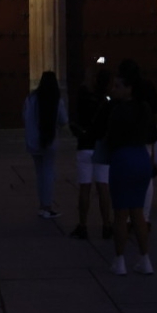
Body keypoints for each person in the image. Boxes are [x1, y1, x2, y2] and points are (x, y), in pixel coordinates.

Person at [104, 72, 157, 275]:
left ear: (129, 89)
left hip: (123, 159)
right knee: (138, 214)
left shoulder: (118, 111)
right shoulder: (144, 108)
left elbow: (111, 138)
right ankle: (145, 260)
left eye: (118, 86)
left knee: (120, 214)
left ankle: (119, 261)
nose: (113, 89)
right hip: (141, 158)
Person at [70, 68, 113, 241]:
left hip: (85, 145)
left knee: (85, 188)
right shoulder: (107, 101)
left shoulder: (84, 97)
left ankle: (83, 225)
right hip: (101, 146)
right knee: (103, 188)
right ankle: (106, 225)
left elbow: (76, 113)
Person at [23, 70, 68, 218]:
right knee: (48, 174)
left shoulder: (31, 99)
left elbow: (25, 116)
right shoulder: (56, 100)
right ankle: (47, 205)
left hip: (34, 142)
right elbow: (63, 120)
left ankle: (42, 204)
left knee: (40, 174)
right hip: (49, 142)